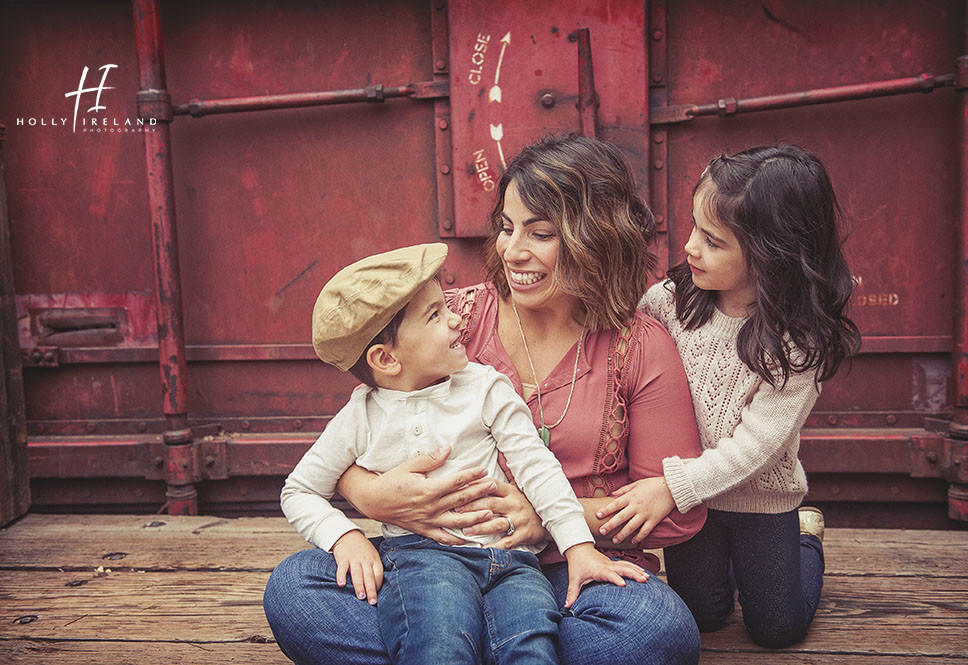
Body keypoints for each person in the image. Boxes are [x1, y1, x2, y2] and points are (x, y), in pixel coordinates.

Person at [263, 133, 707, 665]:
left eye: (540, 234)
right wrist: (370, 496)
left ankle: (453, 650)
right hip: (430, 560)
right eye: (506, 227)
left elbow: (677, 515)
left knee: (656, 627)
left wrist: (547, 518)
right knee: (296, 589)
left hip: (571, 566)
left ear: (596, 238)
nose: (511, 250)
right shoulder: (449, 319)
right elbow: (368, 422)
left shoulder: (641, 346)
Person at [283, 241, 650, 665]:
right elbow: (299, 490)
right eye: (435, 315)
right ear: (386, 359)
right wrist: (344, 536)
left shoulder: (484, 387)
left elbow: (538, 468)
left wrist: (578, 548)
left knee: (532, 645)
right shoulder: (361, 416)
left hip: (512, 562)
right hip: (424, 561)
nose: (457, 320)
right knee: (439, 643)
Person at [599, 144, 861, 648]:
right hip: (690, 502)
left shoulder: (796, 343)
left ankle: (805, 539)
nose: (691, 247)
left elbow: (756, 445)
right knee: (704, 617)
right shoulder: (669, 304)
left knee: (777, 629)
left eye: (713, 241)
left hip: (759, 500)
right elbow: (616, 352)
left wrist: (672, 487)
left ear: (771, 257)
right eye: (694, 228)